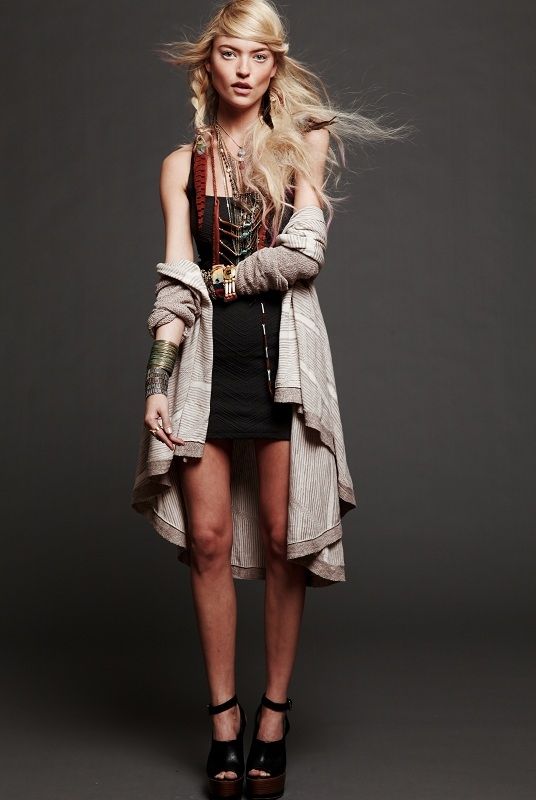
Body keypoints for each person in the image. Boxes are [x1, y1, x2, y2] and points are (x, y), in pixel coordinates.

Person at [131, 2, 410, 798]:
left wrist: (220, 279)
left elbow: (304, 254)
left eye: (259, 55)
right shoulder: (180, 166)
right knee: (208, 542)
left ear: (275, 65)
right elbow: (176, 287)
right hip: (205, 372)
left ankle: (275, 713)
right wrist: (157, 382)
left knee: (288, 541)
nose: (245, 69)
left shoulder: (303, 141)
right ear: (209, 63)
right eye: (230, 53)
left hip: (282, 368)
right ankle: (224, 720)